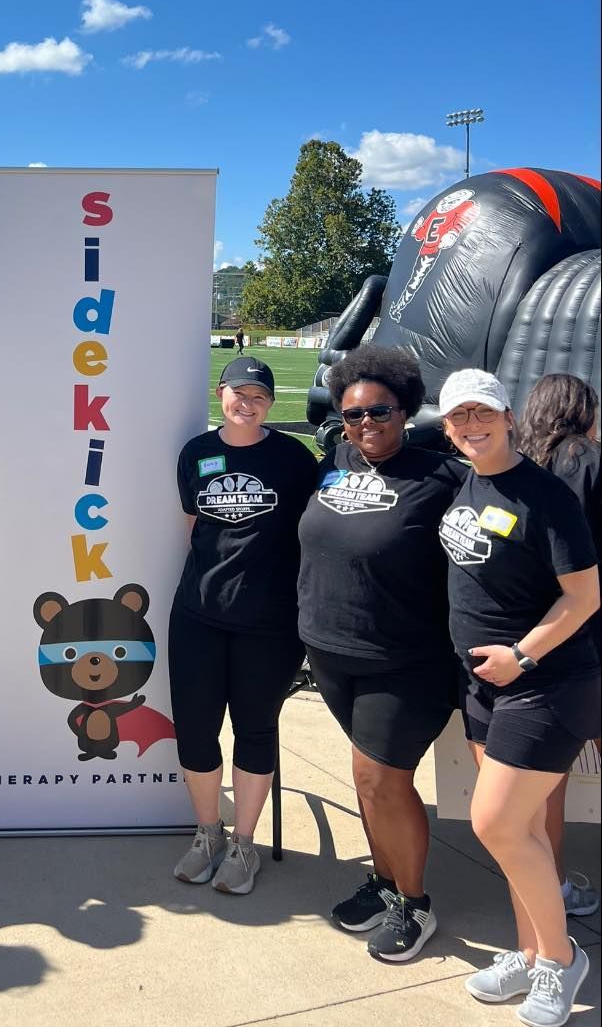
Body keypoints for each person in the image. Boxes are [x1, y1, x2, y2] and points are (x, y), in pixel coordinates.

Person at [440, 369, 600, 1025]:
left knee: (497, 822)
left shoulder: (547, 495)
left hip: (546, 682)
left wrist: (523, 653)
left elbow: (585, 595)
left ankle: (561, 960)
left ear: (508, 415)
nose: (471, 425)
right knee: (523, 832)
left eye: (482, 413)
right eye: (458, 417)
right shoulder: (468, 482)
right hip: (483, 686)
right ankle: (531, 953)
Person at [297, 344, 466, 961]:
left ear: (406, 412)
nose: (366, 424)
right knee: (369, 780)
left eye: (380, 412)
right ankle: (385, 880)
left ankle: (414, 905)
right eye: (353, 414)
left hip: (404, 660)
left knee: (381, 780)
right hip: (331, 652)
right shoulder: (336, 461)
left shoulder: (442, 477)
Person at [169, 357, 318, 894]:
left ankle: (244, 843)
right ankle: (208, 832)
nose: (247, 402)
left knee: (255, 730)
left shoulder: (294, 459)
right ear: (221, 393)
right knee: (196, 728)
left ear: (270, 403)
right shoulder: (196, 453)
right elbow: (194, 527)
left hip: (269, 622)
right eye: (239, 392)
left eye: (258, 395)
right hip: (198, 616)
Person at [517, 373, 601, 920]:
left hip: (536, 637)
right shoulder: (589, 460)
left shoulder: (518, 466)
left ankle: (552, 886)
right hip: (589, 632)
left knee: (547, 779)